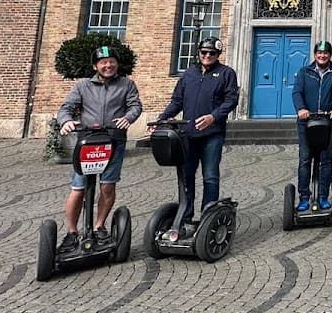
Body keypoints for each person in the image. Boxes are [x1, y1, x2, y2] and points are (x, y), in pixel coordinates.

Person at [56, 45, 143, 250]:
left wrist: (128, 118)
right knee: (78, 188)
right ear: (95, 66)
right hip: (88, 141)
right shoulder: (83, 86)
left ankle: (99, 225)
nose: (108, 65)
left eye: (111, 61)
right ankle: (71, 231)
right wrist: (66, 121)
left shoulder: (126, 85)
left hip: (114, 141)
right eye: (103, 62)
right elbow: (66, 107)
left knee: (107, 185)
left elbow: (135, 106)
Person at [154, 36, 239, 228]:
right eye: (204, 52)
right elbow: (177, 101)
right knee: (186, 174)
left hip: (212, 135)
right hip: (188, 135)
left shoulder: (226, 73)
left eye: (212, 53)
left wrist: (213, 116)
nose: (207, 56)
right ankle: (185, 216)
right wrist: (161, 119)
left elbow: (231, 100)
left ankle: (208, 217)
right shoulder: (189, 74)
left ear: (218, 55)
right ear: (198, 53)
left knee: (210, 176)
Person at [291, 40, 332, 211]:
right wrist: (301, 109)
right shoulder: (304, 72)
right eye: (319, 53)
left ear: (330, 55)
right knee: (305, 159)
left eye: (326, 53)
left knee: (325, 160)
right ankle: (304, 197)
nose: (322, 56)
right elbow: (297, 92)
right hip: (306, 122)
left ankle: (323, 196)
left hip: (327, 121)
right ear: (315, 55)